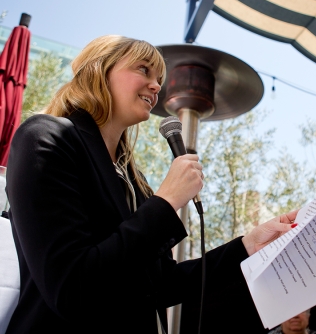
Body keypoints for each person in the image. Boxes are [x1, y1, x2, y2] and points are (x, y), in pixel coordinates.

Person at [5, 35, 298, 333]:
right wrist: (166, 202)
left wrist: (247, 246)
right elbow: (71, 289)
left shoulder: (134, 181)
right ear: (99, 70)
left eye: (159, 78)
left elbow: (162, 284)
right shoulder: (47, 137)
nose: (157, 86)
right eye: (144, 70)